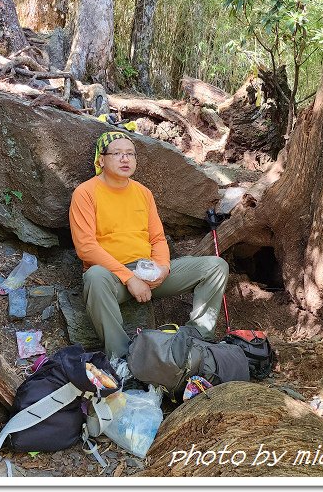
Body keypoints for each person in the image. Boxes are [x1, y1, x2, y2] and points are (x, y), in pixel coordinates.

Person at [69, 131, 228, 358]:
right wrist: (130, 279)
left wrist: (162, 268)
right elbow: (86, 247)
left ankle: (197, 339)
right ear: (101, 160)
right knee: (95, 277)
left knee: (215, 266)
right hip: (114, 278)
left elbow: (157, 239)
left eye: (130, 154)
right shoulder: (85, 193)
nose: (125, 159)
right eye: (117, 153)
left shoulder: (143, 193)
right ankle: (122, 357)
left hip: (149, 271)